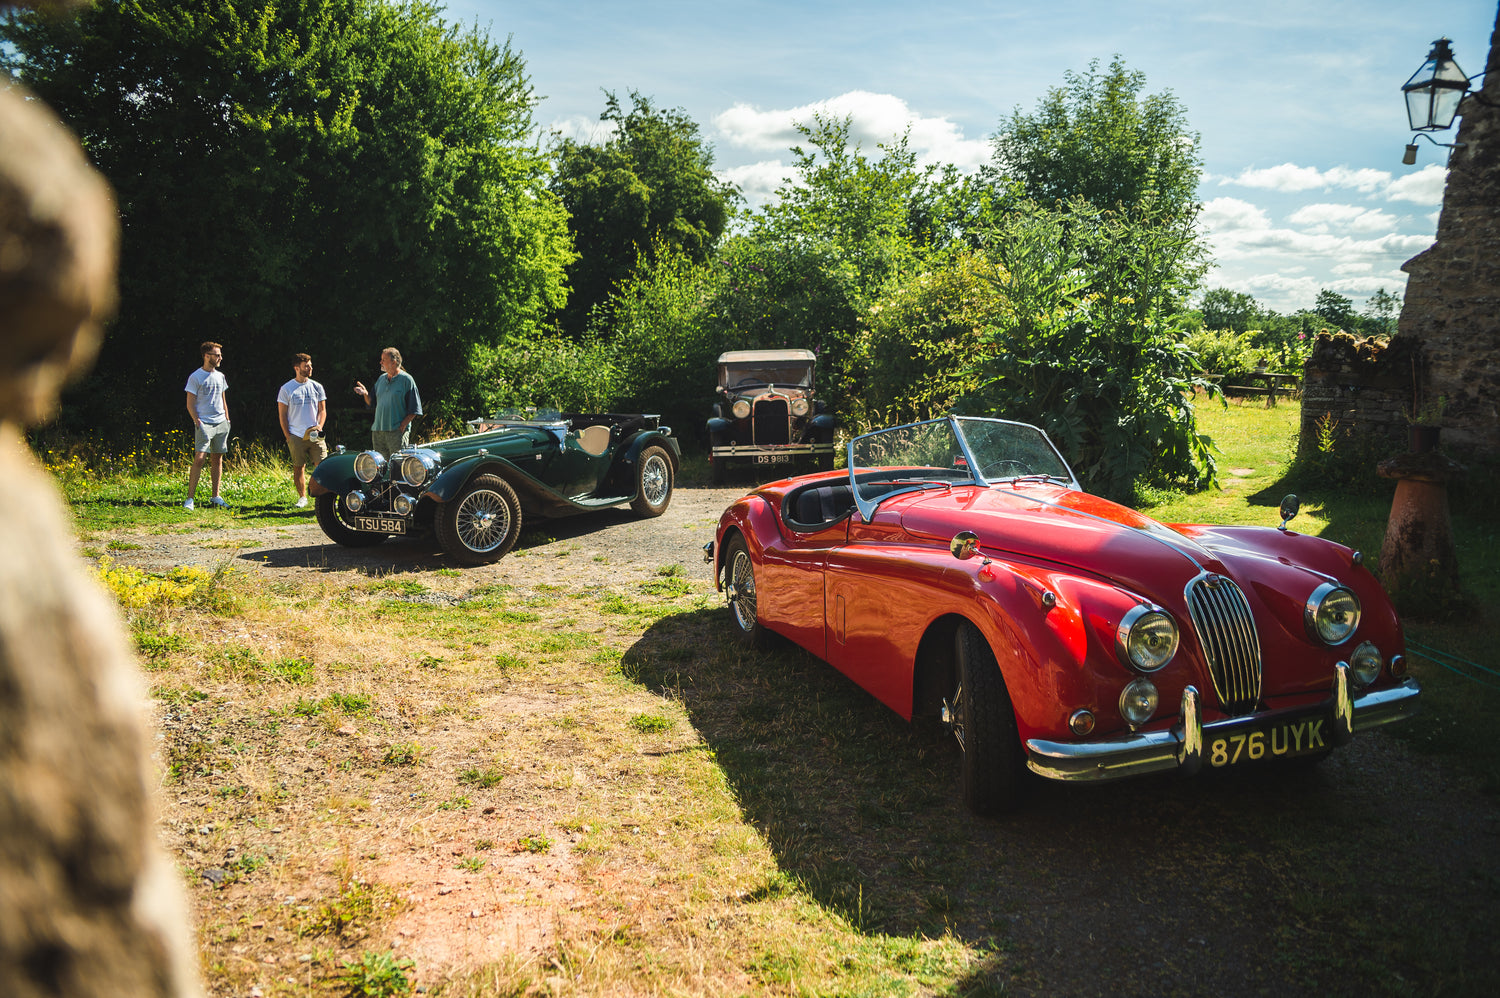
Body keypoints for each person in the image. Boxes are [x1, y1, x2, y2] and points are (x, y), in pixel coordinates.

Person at [277, 352, 327, 508]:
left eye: (311, 365)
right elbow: (282, 414)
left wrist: (319, 426)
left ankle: (322, 497)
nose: (310, 368)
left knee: (322, 465)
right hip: (296, 435)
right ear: (297, 368)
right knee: (299, 467)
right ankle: (302, 497)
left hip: (315, 433)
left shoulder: (317, 386)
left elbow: (322, 410)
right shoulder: (287, 389)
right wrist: (288, 435)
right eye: (307, 366)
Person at [183, 341, 229, 509]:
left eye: (220, 355)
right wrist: (197, 420)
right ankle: (190, 499)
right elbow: (190, 403)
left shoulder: (220, 376)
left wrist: (227, 419)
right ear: (206, 356)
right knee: (200, 458)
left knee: (217, 458)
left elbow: (223, 399)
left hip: (221, 422)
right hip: (204, 423)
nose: (220, 358)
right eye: (217, 355)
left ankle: (215, 496)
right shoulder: (195, 377)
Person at [354, 346, 422, 457]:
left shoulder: (407, 380)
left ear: (394, 362)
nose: (380, 362)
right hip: (378, 431)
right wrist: (365, 393)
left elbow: (414, 408)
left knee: (397, 465)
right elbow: (371, 403)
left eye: (383, 360)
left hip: (396, 432)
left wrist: (403, 426)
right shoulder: (381, 379)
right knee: (380, 467)